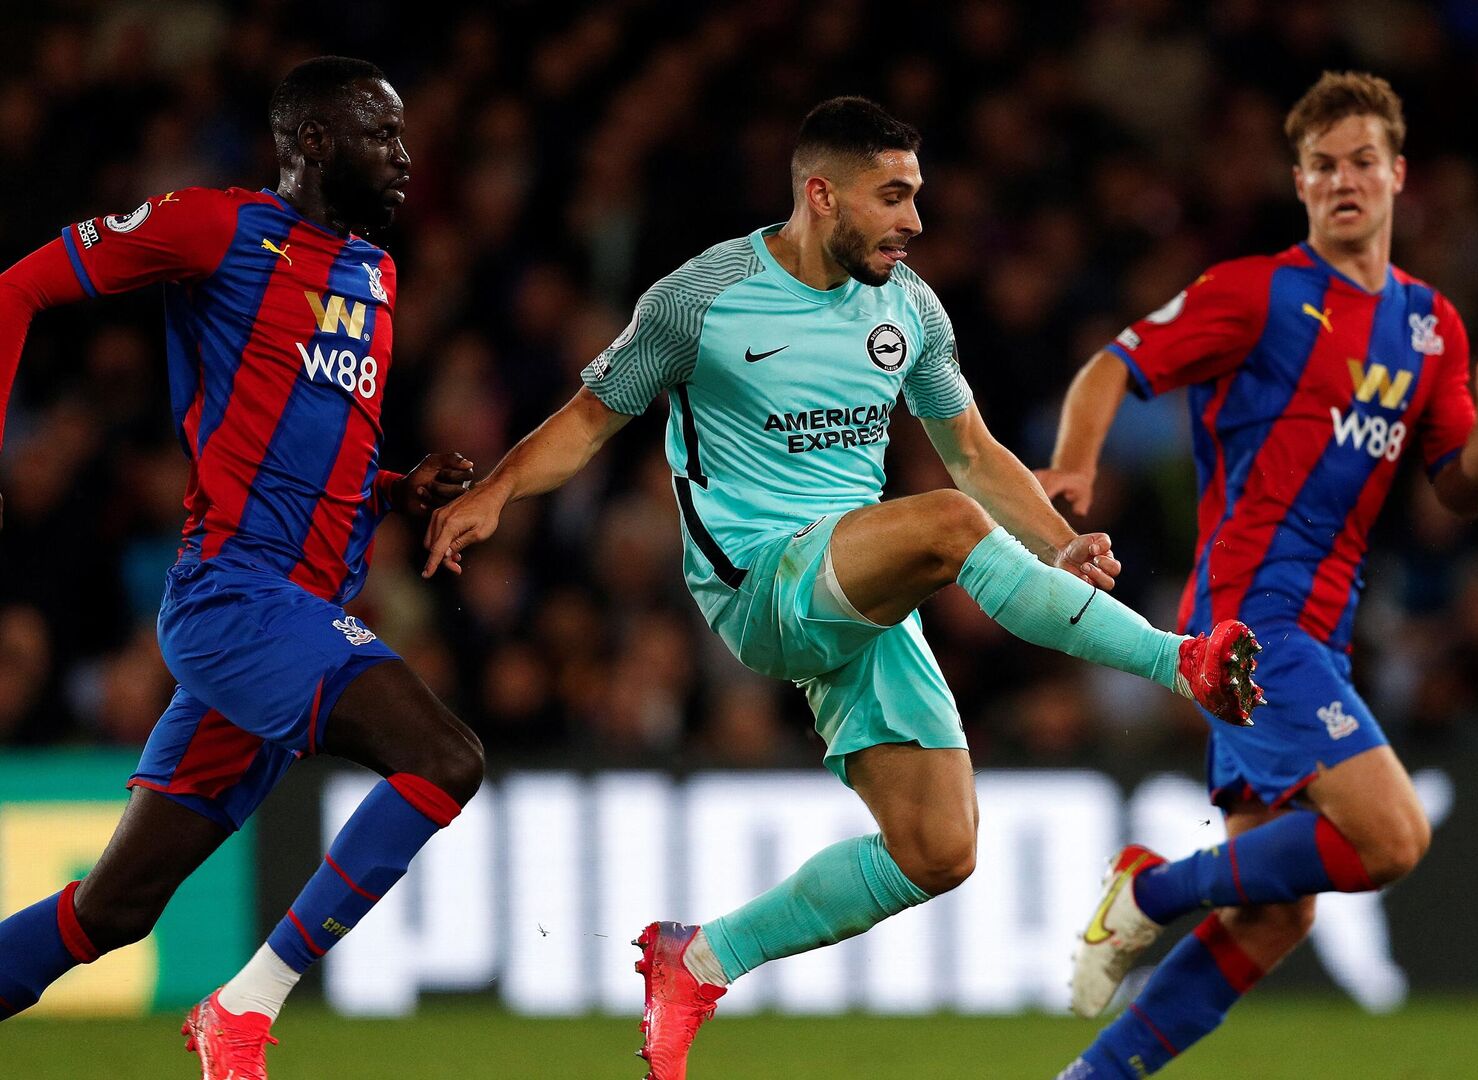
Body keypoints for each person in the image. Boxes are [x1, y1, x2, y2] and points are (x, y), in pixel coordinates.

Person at [422, 95, 1262, 1079]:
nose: (914, 220)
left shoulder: (908, 306)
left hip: (857, 589)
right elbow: (588, 420)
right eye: (893, 196)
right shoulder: (701, 299)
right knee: (947, 524)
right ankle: (1182, 663)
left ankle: (696, 961)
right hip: (759, 582)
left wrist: (1059, 542)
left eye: (918, 196)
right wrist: (497, 492)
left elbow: (975, 452)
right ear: (822, 194)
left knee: (939, 849)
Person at [1040, 71, 1478, 1079]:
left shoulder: (1431, 326)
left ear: (1399, 175)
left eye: (1363, 160)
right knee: (1396, 836)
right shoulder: (1257, 293)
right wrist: (1075, 463)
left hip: (1319, 630)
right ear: (1300, 185)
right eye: (1323, 166)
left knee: (1273, 917)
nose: (1344, 180)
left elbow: (1462, 492)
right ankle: (1147, 891)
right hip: (1245, 619)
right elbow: (1115, 364)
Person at [0, 56, 482, 1080]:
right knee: (444, 760)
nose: (406, 158)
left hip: (293, 613)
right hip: (233, 597)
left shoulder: (376, 273)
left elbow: (308, 440)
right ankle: (244, 1012)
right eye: (381, 134)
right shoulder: (213, 228)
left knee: (111, 911)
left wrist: (398, 488)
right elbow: (17, 288)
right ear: (311, 141)